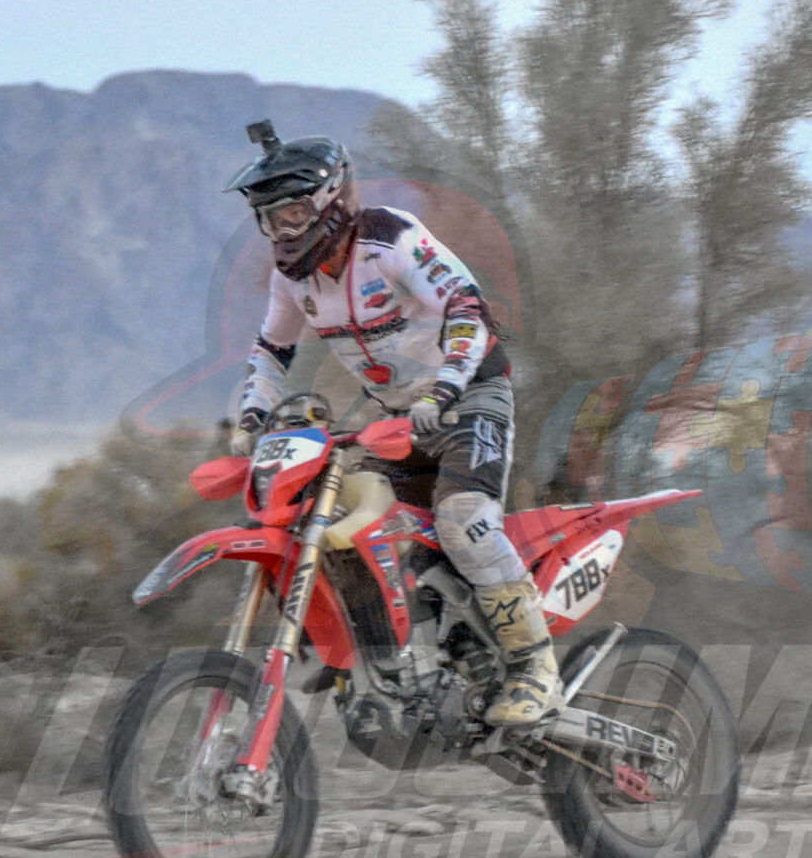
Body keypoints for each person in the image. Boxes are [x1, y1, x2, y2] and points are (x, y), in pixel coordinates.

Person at [223, 121, 560, 728]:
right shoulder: (291, 279)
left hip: (470, 397)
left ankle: (536, 667)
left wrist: (448, 384)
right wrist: (251, 413)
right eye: (271, 218)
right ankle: (384, 659)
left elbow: (465, 305)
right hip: (397, 418)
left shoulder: (390, 238)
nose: (284, 230)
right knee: (341, 523)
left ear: (331, 199)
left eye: (294, 212)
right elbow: (272, 351)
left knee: (463, 521)